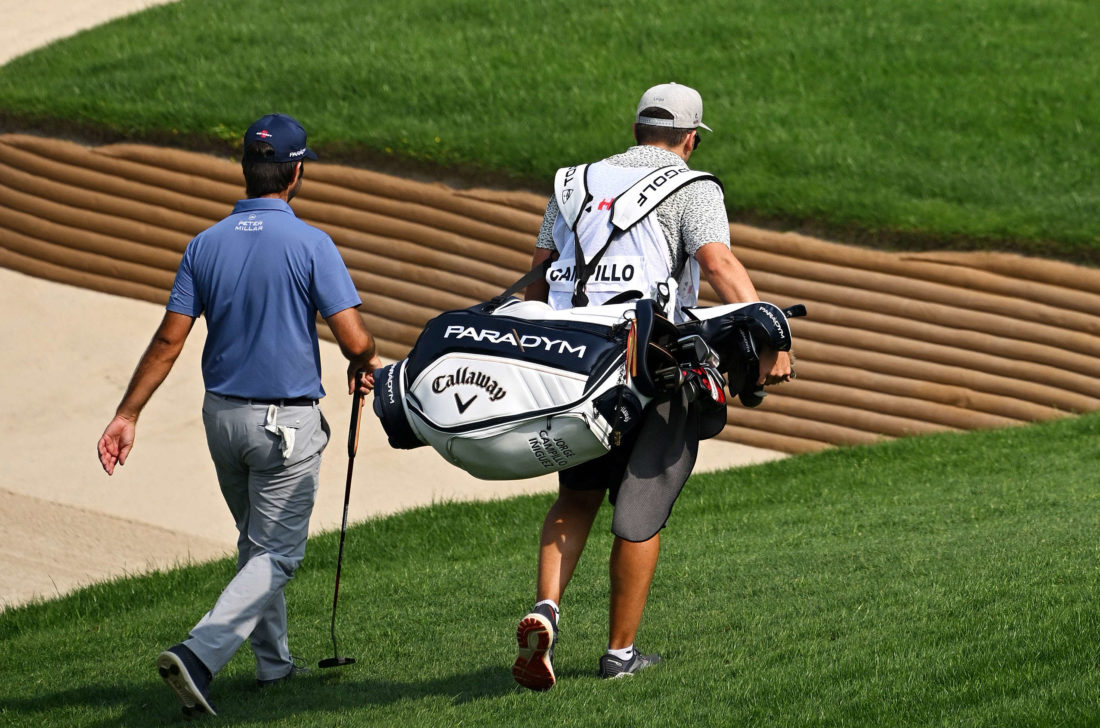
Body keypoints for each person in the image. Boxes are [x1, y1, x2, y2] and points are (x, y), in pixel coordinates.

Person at [96, 113, 381, 717]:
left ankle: (274, 666)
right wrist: (363, 361)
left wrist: (128, 414)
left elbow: (169, 341)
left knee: (256, 546)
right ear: (297, 173)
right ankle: (199, 654)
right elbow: (354, 338)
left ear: (246, 170)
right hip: (285, 427)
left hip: (221, 420)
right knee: (278, 554)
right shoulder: (311, 243)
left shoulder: (204, 245)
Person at [512, 83, 792, 690]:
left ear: (637, 128)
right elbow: (718, 264)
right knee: (640, 512)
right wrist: (770, 336)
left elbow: (537, 277)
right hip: (655, 367)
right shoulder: (693, 186)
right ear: (689, 138)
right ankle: (620, 654)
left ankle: (547, 609)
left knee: (578, 495)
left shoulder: (573, 183)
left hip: (577, 365)